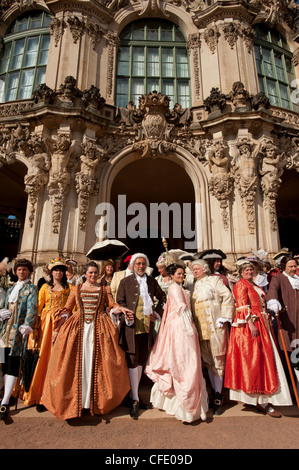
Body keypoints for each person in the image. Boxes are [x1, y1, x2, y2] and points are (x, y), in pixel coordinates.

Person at [41, 261, 132, 420]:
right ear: (85, 274)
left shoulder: (105, 289)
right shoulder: (76, 289)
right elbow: (68, 309)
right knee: (77, 363)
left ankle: (95, 403)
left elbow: (111, 306)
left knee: (97, 363)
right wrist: (57, 330)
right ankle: (77, 402)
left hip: (100, 328)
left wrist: (121, 308)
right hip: (78, 329)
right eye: (90, 273)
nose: (93, 275)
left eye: (96, 273)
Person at [225, 261, 292, 417]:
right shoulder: (241, 285)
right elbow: (242, 307)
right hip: (251, 326)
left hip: (262, 323)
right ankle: (261, 400)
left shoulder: (252, 283)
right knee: (256, 360)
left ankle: (261, 398)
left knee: (264, 359)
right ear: (241, 272)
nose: (249, 271)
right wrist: (251, 325)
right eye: (246, 270)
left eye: (251, 269)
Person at [145, 264, 209, 423]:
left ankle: (180, 402)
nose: (181, 276)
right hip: (180, 326)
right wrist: (189, 328)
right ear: (172, 275)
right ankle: (183, 403)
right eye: (178, 274)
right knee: (184, 360)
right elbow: (181, 308)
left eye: (182, 274)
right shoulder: (174, 288)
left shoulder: (179, 287)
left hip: (180, 323)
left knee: (181, 359)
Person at [116, 253, 166, 419]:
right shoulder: (125, 282)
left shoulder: (152, 282)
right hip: (132, 327)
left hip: (146, 327)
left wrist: (156, 314)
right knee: (132, 359)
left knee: (140, 360)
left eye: (143, 264)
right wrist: (125, 315)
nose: (141, 266)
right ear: (132, 265)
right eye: (138, 263)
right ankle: (135, 398)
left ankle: (134, 396)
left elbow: (162, 297)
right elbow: (120, 302)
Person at [22, 258, 70, 411]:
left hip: (61, 324)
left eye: (61, 270)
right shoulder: (44, 287)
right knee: (43, 359)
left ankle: (55, 394)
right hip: (46, 325)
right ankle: (40, 395)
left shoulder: (68, 288)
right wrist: (34, 328)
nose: (59, 273)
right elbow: (37, 307)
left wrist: (67, 318)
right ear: (51, 272)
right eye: (56, 270)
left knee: (58, 359)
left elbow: (72, 307)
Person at [189, 259, 235, 415]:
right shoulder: (192, 285)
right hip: (201, 329)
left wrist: (224, 316)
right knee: (208, 360)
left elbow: (227, 296)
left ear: (204, 269)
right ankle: (214, 390)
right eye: (193, 269)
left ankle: (218, 394)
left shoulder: (214, 280)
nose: (195, 271)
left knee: (218, 359)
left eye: (197, 268)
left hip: (216, 326)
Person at [0, 259, 38, 420]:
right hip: (4, 331)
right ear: (15, 272)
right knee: (2, 363)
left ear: (29, 271)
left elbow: (32, 308)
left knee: (13, 363)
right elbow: (4, 305)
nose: (21, 272)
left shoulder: (32, 289)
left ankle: (6, 400)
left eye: (24, 269)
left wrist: (28, 324)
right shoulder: (10, 289)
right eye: (19, 269)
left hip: (17, 331)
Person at [266, 255, 299, 393]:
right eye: (290, 266)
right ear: (283, 267)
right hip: (288, 323)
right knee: (293, 356)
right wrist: (273, 301)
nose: (293, 269)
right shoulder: (278, 278)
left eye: (295, 266)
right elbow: (272, 291)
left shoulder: (298, 279)